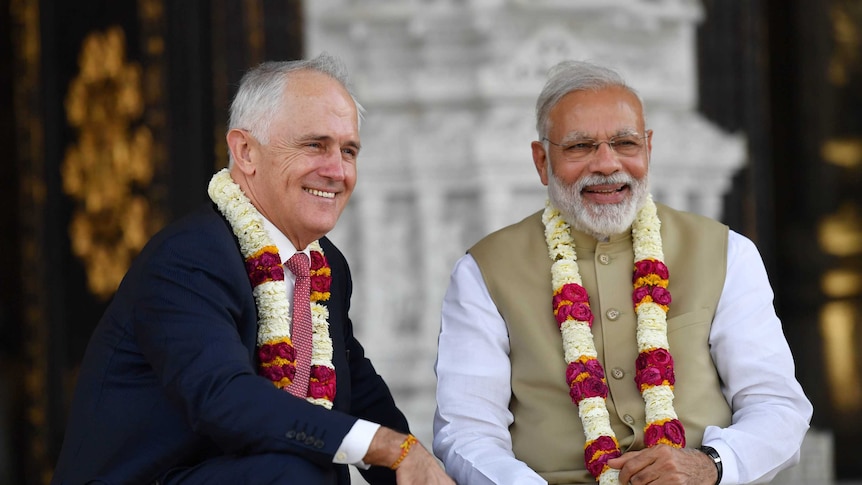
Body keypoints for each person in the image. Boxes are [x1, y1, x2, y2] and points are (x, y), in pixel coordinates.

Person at [52, 54, 453, 485]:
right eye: (315, 145)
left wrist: (416, 463)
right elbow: (224, 398)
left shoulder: (325, 265)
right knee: (297, 472)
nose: (337, 170)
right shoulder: (189, 258)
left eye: (349, 150)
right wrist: (386, 447)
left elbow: (358, 394)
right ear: (245, 151)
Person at [433, 60, 813, 485]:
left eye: (624, 142)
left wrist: (711, 464)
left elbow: (777, 406)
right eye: (579, 146)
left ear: (648, 148)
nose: (607, 164)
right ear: (542, 161)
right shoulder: (485, 270)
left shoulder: (727, 253)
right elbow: (465, 432)